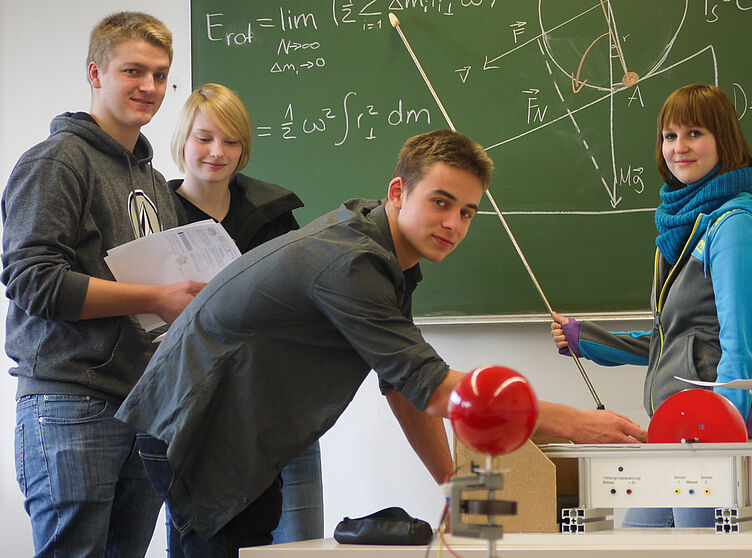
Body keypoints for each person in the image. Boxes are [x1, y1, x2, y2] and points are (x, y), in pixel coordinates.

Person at [115, 129, 647, 556]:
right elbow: (437, 390)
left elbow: (404, 385)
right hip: (195, 425)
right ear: (398, 192)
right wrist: (577, 423)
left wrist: (452, 484)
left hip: (229, 426)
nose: (453, 224)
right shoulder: (352, 264)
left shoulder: (387, 258)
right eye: (441, 202)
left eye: (467, 212)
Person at [1, 12, 205, 557]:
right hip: (71, 403)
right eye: (133, 71)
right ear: (95, 73)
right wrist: (157, 299)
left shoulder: (154, 181)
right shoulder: (57, 161)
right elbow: (33, 281)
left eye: (161, 75)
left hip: (142, 406)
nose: (150, 87)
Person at [550, 84, 752, 528]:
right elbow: (669, 344)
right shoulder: (682, 231)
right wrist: (588, 341)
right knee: (637, 538)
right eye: (669, 136)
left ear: (723, 141)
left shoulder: (735, 225)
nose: (679, 147)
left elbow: (741, 351)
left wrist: (721, 440)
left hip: (719, 444)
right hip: (674, 439)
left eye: (694, 133)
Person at [169, 83, 321, 545]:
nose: (217, 152)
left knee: (298, 542)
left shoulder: (273, 214)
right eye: (204, 138)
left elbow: (304, 299)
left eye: (231, 141)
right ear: (183, 140)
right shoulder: (156, 213)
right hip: (195, 412)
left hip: (279, 402)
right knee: (200, 539)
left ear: (244, 148)